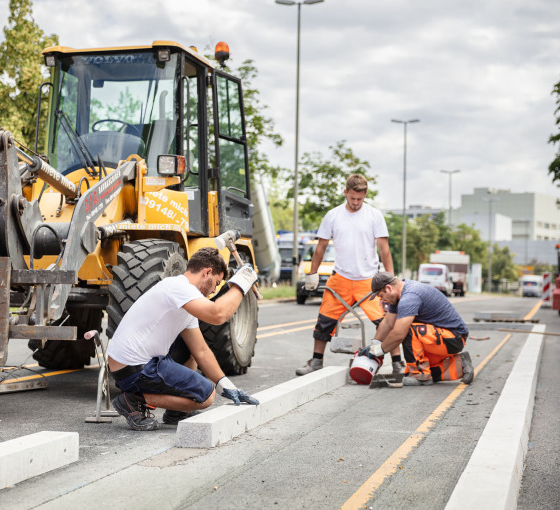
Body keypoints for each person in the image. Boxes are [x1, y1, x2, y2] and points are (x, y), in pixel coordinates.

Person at [107, 247, 260, 431]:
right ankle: (133, 401)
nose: (213, 291)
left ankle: (178, 411)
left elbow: (201, 351)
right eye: (216, 283)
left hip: (136, 363)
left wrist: (226, 385)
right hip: (133, 368)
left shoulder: (185, 298)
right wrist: (241, 283)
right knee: (206, 396)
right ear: (207, 272)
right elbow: (218, 314)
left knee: (191, 349)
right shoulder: (179, 288)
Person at [296, 174, 403, 376]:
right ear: (345, 193)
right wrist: (312, 274)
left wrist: (391, 279)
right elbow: (320, 248)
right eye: (352, 198)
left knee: (386, 321)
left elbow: (384, 250)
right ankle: (316, 361)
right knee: (324, 321)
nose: (355, 203)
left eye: (359, 199)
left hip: (369, 281)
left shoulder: (374, 216)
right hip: (341, 279)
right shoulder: (333, 216)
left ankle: (397, 362)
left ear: (365, 195)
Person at [359, 272, 474, 386]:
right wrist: (374, 345)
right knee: (423, 368)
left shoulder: (409, 297)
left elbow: (399, 334)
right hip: (439, 338)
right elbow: (387, 323)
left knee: (407, 330)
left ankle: (419, 376)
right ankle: (461, 364)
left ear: (388, 288)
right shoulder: (399, 296)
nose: (382, 300)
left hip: (453, 338)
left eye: (381, 296)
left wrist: (380, 350)